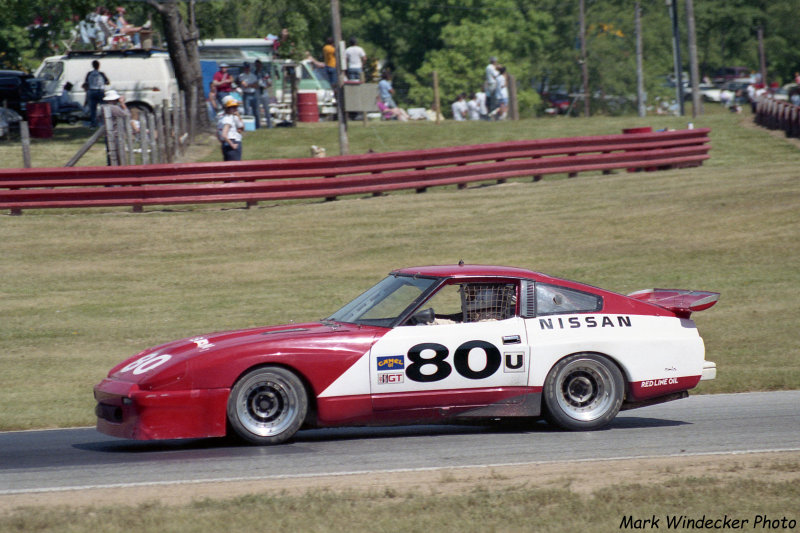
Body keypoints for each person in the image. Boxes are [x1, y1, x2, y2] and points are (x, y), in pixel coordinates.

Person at [100, 89, 130, 165]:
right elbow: (127, 115)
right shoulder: (114, 108)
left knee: (111, 154)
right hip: (116, 134)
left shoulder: (103, 107)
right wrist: (123, 104)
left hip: (108, 133)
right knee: (118, 155)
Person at [84, 60, 109, 127]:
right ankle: (104, 123)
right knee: (103, 108)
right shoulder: (101, 74)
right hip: (100, 91)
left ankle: (93, 124)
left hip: (91, 91)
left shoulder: (89, 73)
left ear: (92, 66)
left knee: (93, 109)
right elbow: (108, 82)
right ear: (98, 66)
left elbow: (86, 83)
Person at [237, 62, 261, 128]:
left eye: (248, 67)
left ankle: (257, 126)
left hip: (253, 93)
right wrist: (251, 85)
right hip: (246, 94)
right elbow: (244, 85)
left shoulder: (253, 76)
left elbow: (256, 85)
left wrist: (249, 85)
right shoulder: (241, 76)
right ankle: (248, 126)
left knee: (256, 111)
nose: (247, 69)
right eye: (246, 68)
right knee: (247, 111)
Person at [254, 59, 273, 128]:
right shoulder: (254, 73)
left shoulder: (264, 73)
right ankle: (258, 125)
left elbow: (270, 82)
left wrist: (266, 85)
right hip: (257, 92)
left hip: (264, 92)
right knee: (257, 110)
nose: (258, 66)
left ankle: (269, 125)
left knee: (267, 109)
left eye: (259, 64)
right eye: (257, 65)